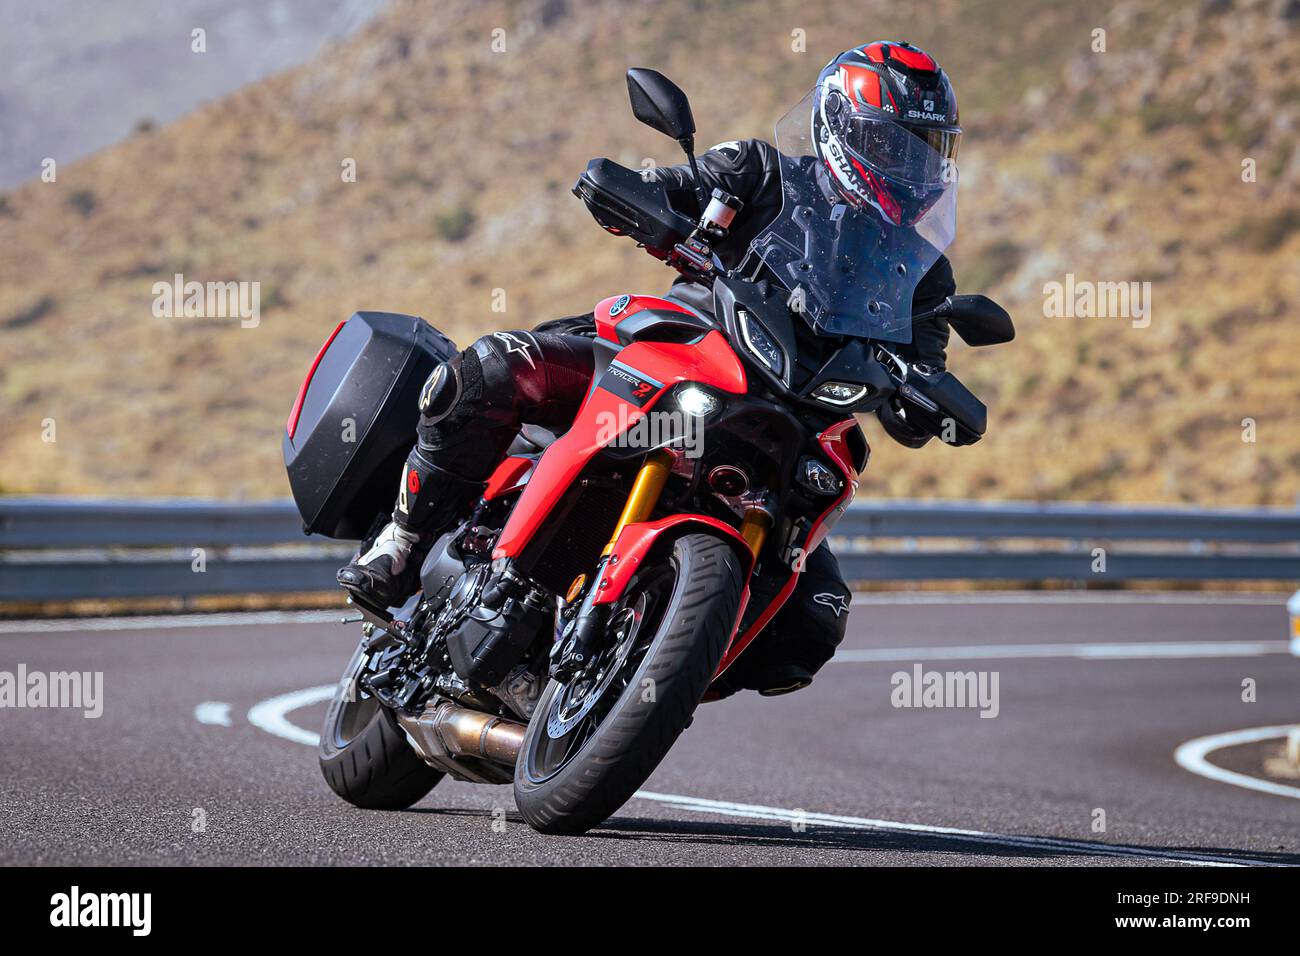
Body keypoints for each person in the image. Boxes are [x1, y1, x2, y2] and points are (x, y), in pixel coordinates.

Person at [339, 41, 963, 696]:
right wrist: (642, 204)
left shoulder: (924, 274)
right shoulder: (759, 172)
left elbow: (925, 368)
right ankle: (404, 541)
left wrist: (923, 400)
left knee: (816, 616)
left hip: (794, 421)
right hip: (677, 350)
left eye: (928, 151)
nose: (912, 167)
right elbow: (665, 190)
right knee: (495, 369)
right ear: (843, 128)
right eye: (897, 147)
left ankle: (642, 676)